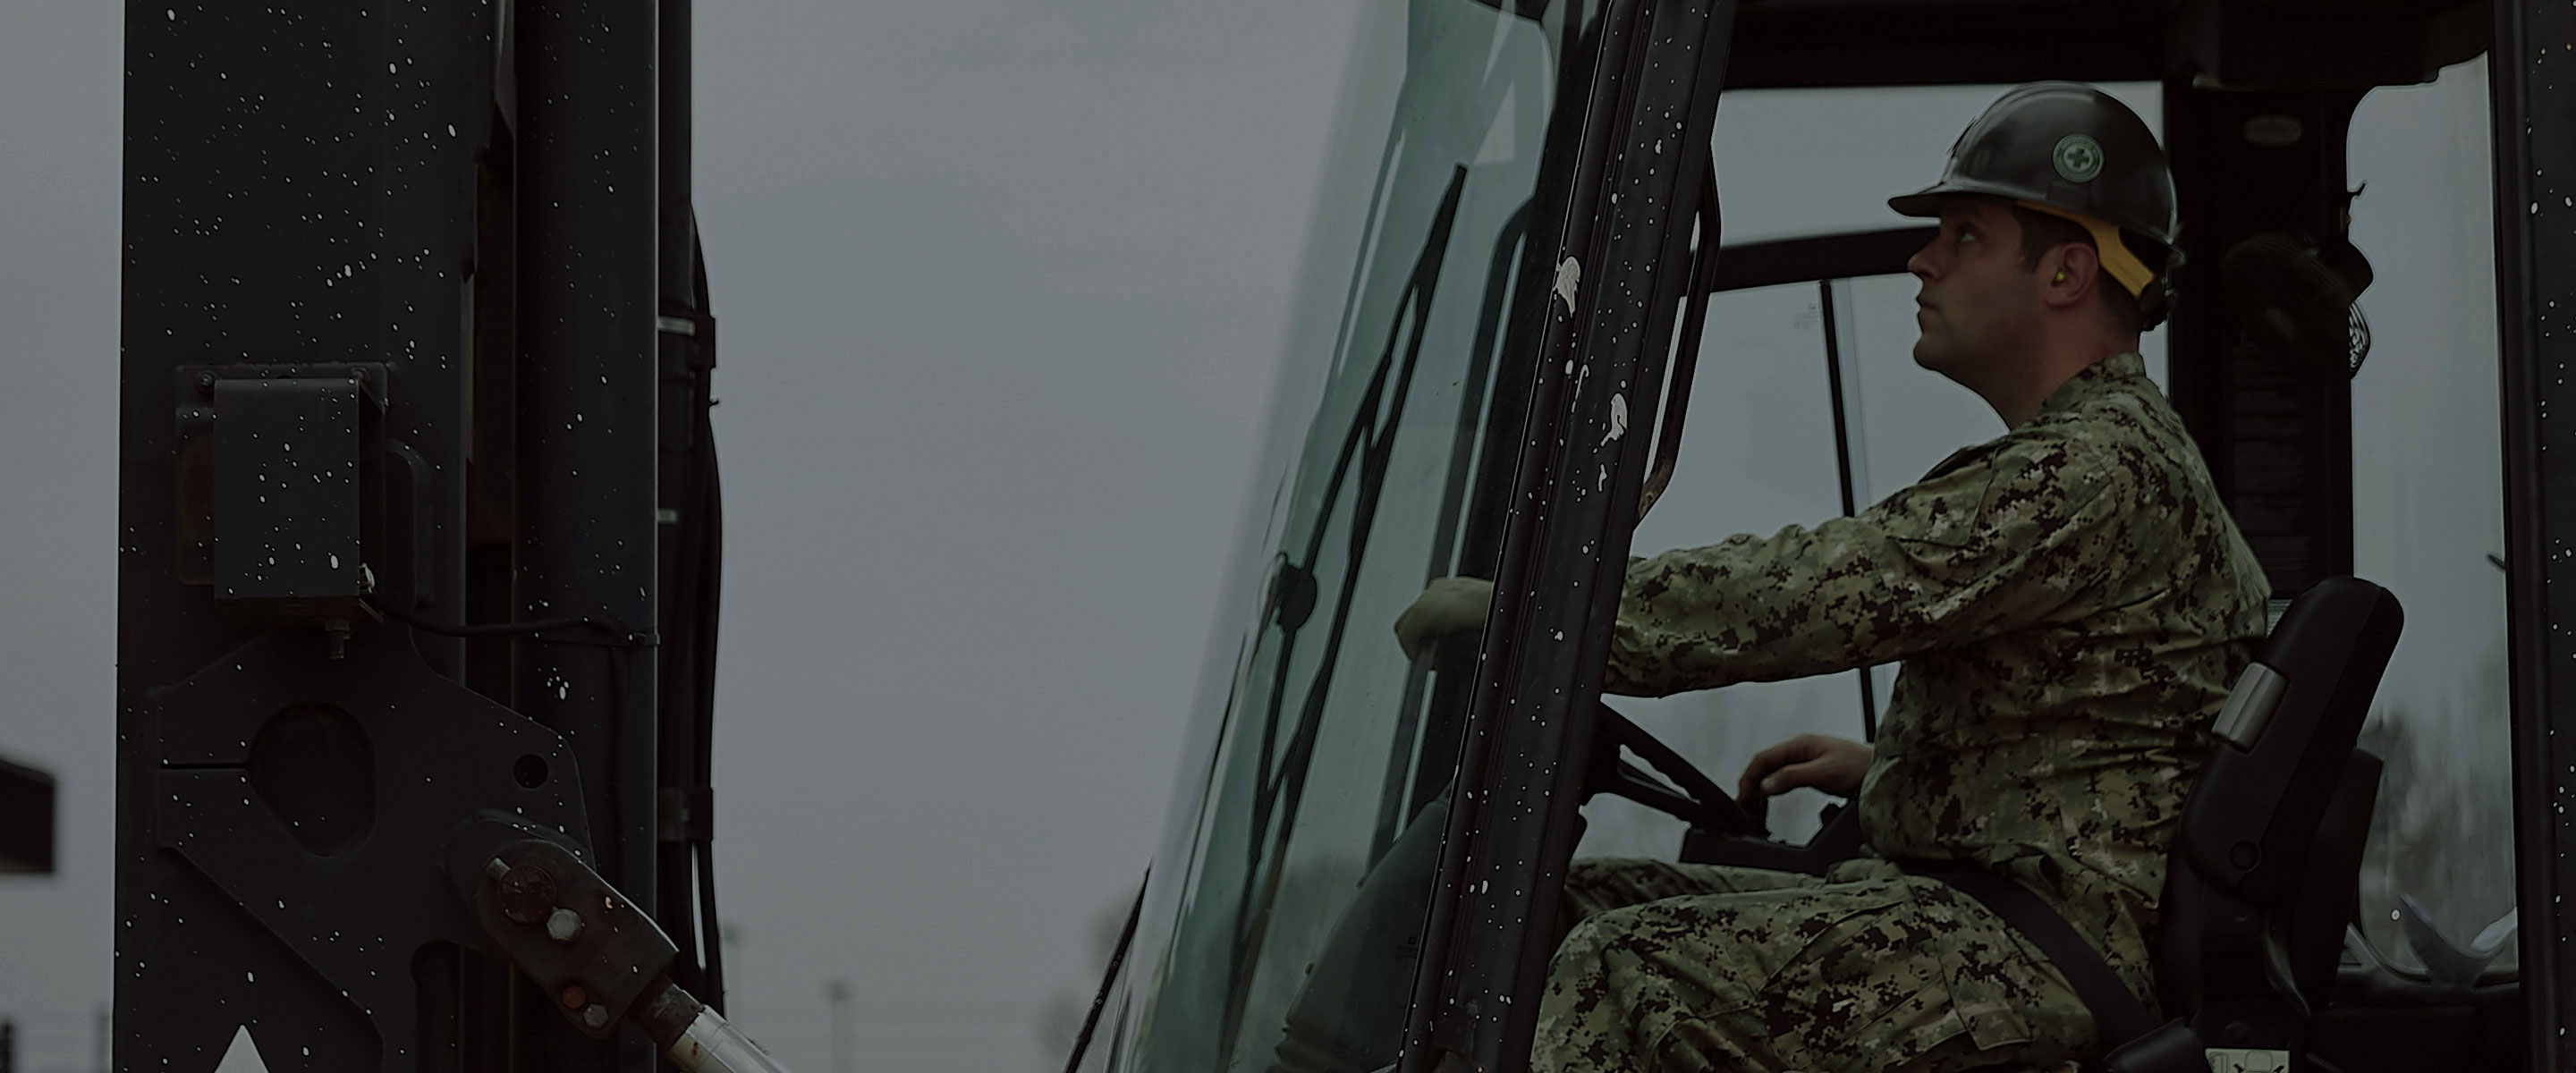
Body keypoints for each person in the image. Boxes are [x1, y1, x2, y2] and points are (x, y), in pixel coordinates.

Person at [1393, 82, 2273, 1073]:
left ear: (2068, 270)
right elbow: (2104, 732)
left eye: (1965, 235)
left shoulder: (2093, 471)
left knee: (1625, 975)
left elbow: (1827, 587)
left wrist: (1548, 617)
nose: (1923, 259)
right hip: (1988, 911)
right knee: (1539, 913)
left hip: (2038, 946)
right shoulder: (2099, 464)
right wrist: (1905, 769)